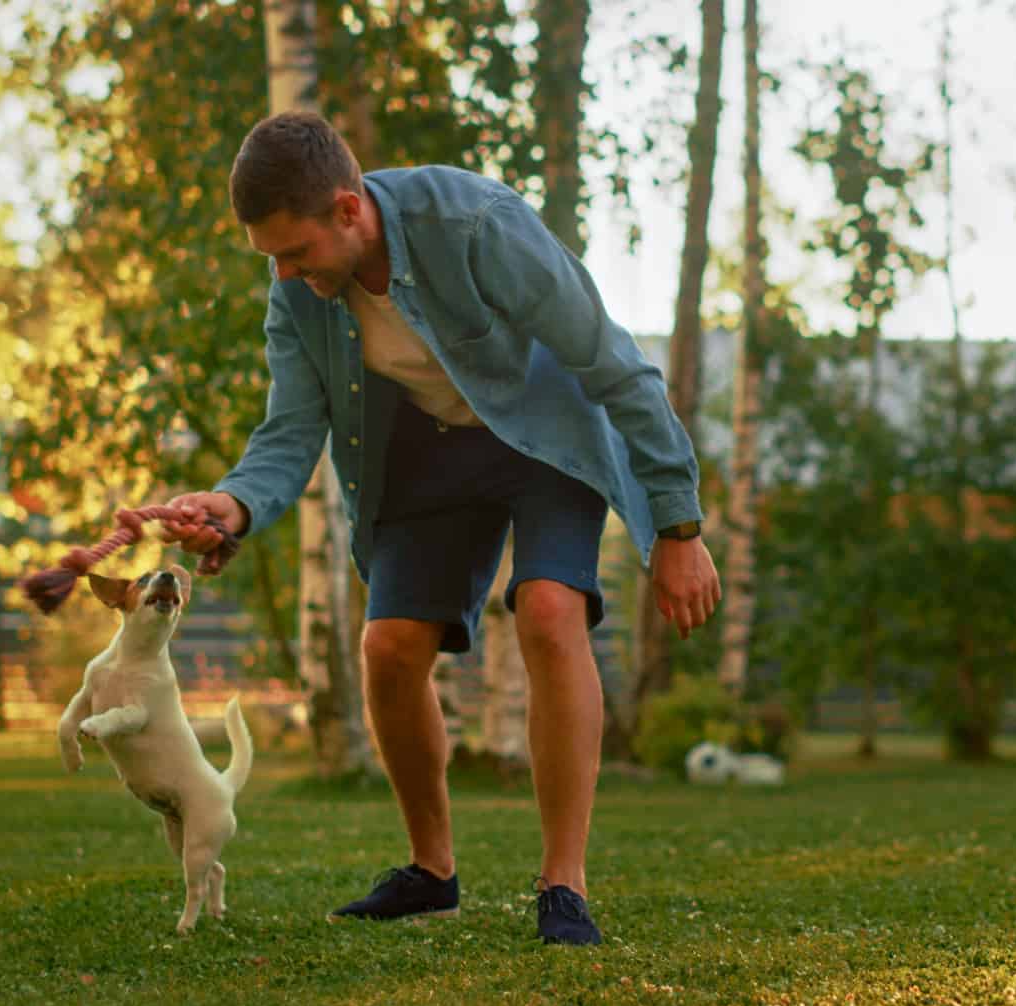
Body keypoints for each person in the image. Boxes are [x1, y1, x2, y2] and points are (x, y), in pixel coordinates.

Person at [163, 111, 720, 945]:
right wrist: (233, 506)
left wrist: (677, 523)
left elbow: (610, 360)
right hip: (430, 449)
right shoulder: (300, 298)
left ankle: (562, 884)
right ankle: (433, 872)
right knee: (388, 648)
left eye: (293, 251)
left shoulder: (476, 225)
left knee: (549, 610)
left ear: (348, 210)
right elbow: (290, 429)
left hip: (547, 438)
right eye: (270, 257)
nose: (282, 275)